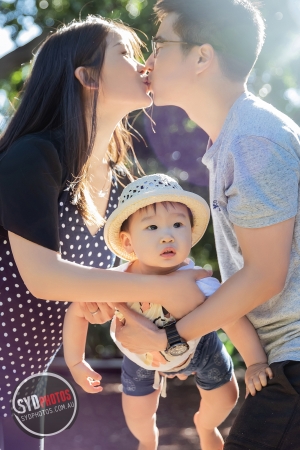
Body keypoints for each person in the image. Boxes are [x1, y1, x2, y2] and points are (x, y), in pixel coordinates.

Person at [0, 15, 210, 450]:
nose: (144, 65)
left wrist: (168, 339)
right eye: (127, 55)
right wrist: (170, 289)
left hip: (28, 386)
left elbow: (107, 288)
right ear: (88, 77)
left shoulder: (117, 185)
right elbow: (44, 278)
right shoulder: (34, 155)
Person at [114, 1, 300, 449]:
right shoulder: (234, 137)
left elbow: (264, 275)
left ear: (202, 56)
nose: (147, 61)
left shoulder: (252, 140)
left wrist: (172, 336)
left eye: (159, 45)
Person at [64, 173, 273, 450]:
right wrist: (76, 362)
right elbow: (77, 310)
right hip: (141, 357)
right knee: (137, 415)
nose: (167, 236)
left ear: (190, 232)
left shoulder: (198, 281)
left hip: (200, 349)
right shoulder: (116, 281)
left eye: (177, 224)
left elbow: (231, 317)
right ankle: (147, 439)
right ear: (128, 243)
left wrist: (256, 362)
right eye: (152, 227)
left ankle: (206, 424)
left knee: (226, 397)